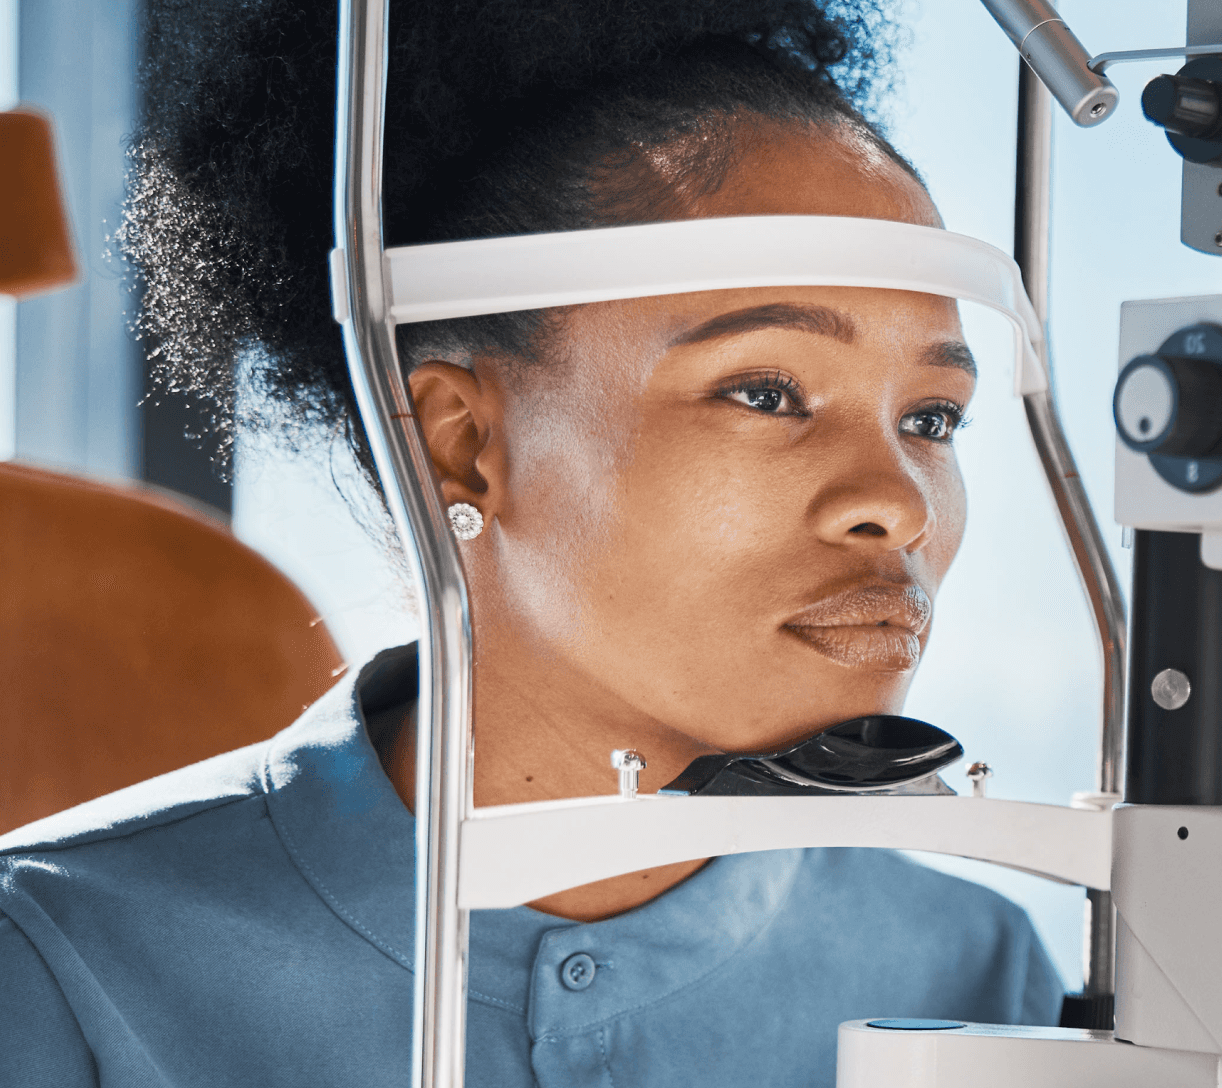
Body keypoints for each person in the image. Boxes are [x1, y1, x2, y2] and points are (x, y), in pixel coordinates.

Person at [0, 2, 1063, 1083]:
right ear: (463, 446)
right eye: (767, 391)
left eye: (931, 419)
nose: (900, 502)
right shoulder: (55, 955)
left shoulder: (974, 982)